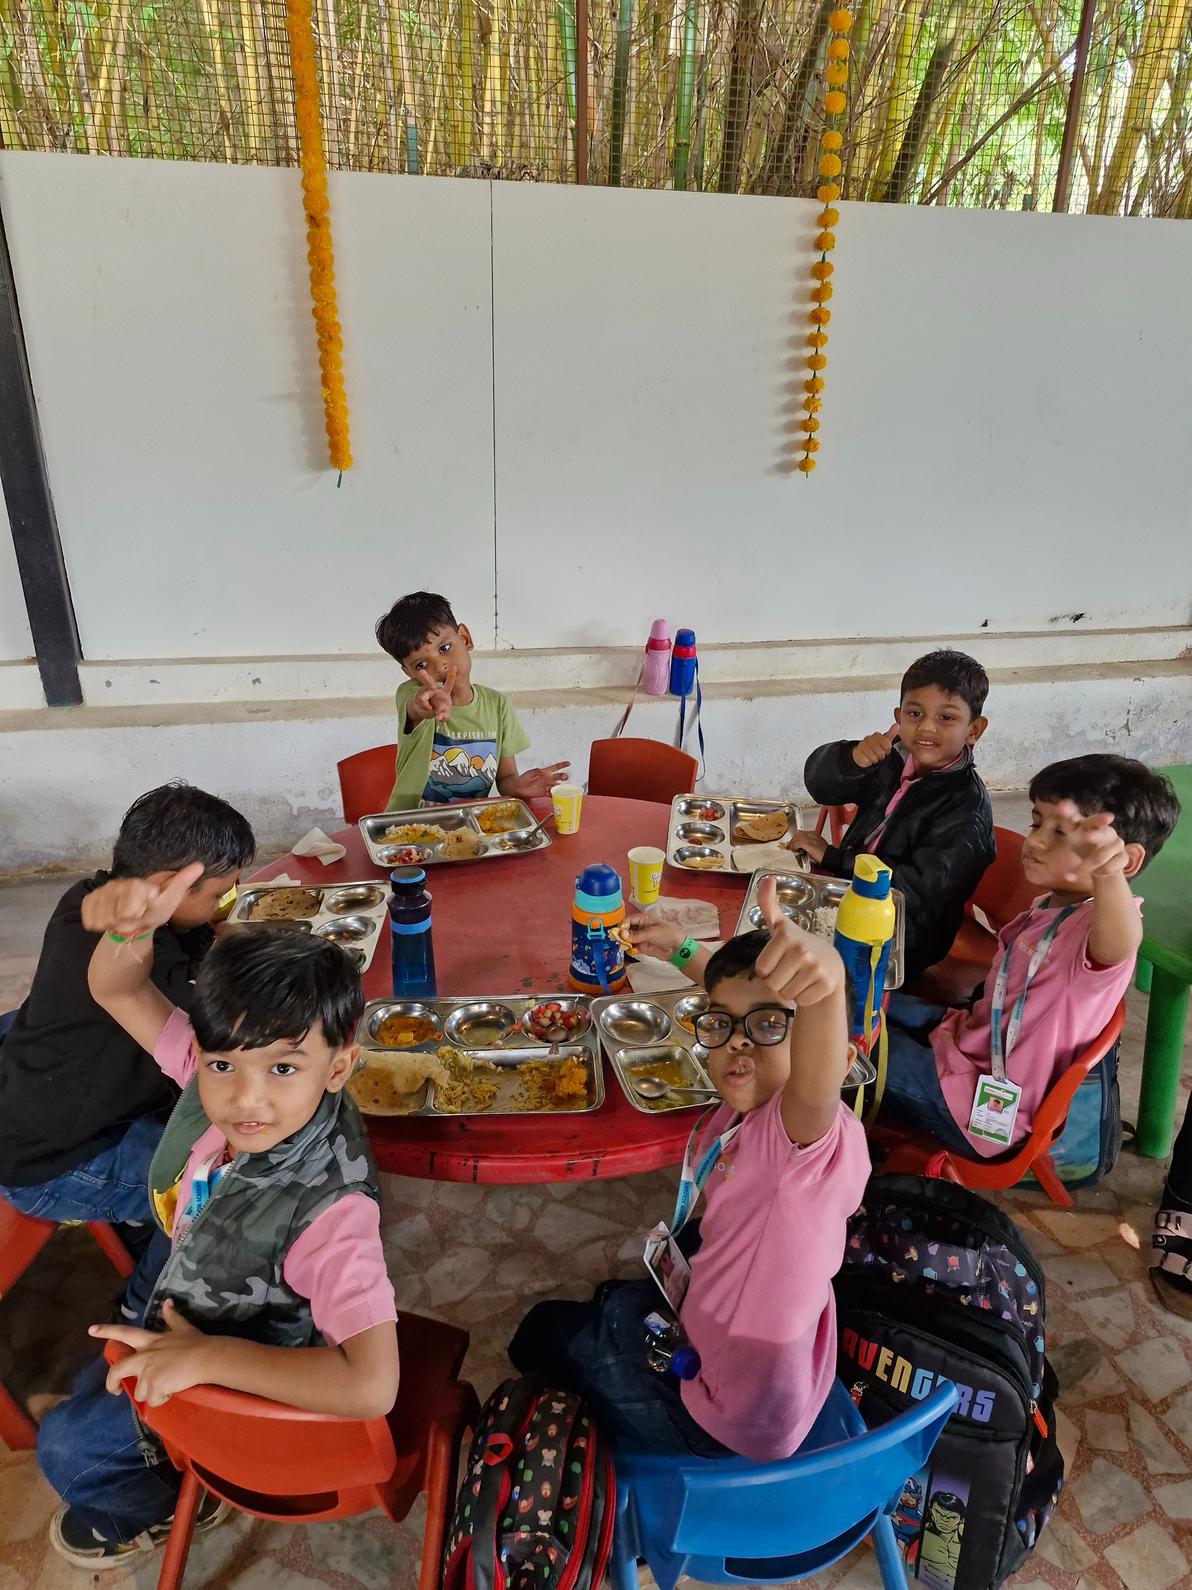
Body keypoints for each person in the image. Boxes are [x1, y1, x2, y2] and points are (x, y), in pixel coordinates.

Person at [37, 866, 399, 1570]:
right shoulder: (217, 1079)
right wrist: (130, 932)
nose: (245, 1100)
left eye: (283, 1069)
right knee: (96, 1380)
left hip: (249, 1369)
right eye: (222, 1065)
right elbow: (117, 987)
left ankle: (168, 1499)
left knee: (68, 1450)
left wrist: (204, 1358)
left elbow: (371, 1386)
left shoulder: (331, 1214)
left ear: (338, 1068)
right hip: (198, 1300)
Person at [509, 880, 869, 1461]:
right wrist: (682, 951)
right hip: (768, 1368)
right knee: (627, 1296)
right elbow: (737, 1001)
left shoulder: (797, 1144)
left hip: (722, 1415)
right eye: (722, 1025)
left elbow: (815, 1079)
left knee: (545, 1329)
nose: (738, 1044)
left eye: (771, 1026)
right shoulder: (778, 1117)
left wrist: (825, 984)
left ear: (837, 1061)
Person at [0, 784, 255, 1321]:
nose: (225, 904)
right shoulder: (143, 962)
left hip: (43, 1103)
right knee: (223, 1191)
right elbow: (222, 1018)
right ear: (167, 886)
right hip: (56, 1161)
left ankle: (141, 1232)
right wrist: (236, 940)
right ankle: (144, 1310)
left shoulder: (89, 896)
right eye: (219, 894)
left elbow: (191, 954)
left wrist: (214, 926)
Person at [876, 754, 1177, 1160]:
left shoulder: (1095, 932)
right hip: (964, 1039)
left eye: (1061, 833)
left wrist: (1108, 875)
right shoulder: (1052, 905)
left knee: (829, 1046)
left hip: (979, 1108)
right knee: (858, 1000)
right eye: (1037, 824)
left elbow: (1120, 946)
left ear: (1126, 860)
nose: (1035, 841)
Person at [792, 649, 995, 981]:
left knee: (793, 966)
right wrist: (851, 760)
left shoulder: (967, 810)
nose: (926, 728)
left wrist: (834, 858)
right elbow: (822, 787)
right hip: (851, 892)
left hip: (904, 937)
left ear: (974, 729)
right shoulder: (893, 757)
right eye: (915, 714)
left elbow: (917, 893)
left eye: (946, 718)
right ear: (899, 716)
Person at [375, 591, 569, 809]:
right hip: (406, 824)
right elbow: (415, 707)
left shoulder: (497, 705)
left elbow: (506, 779)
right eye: (421, 665)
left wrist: (518, 786)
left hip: (469, 824)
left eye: (444, 648)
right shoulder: (410, 694)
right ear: (409, 673)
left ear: (465, 638)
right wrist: (426, 706)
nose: (440, 667)